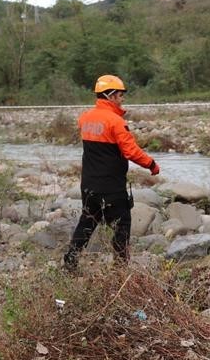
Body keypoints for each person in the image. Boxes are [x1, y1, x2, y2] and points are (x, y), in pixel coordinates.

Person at [63, 74, 159, 271]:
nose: (122, 98)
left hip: (89, 183)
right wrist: (151, 164)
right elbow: (131, 151)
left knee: (87, 221)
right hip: (111, 186)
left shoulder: (85, 119)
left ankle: (70, 261)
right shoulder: (116, 122)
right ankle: (120, 269)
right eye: (120, 94)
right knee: (121, 226)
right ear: (110, 95)